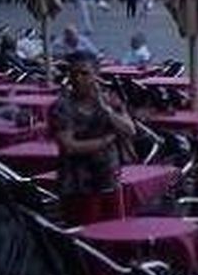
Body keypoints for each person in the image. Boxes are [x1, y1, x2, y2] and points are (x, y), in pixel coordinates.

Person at [49, 50, 135, 225]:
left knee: (113, 230)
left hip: (108, 178)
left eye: (85, 73)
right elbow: (70, 146)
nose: (78, 78)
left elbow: (129, 130)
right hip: (77, 183)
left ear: (96, 75)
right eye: (73, 74)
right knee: (84, 234)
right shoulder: (61, 107)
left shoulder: (110, 100)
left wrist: (105, 109)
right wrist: (107, 140)